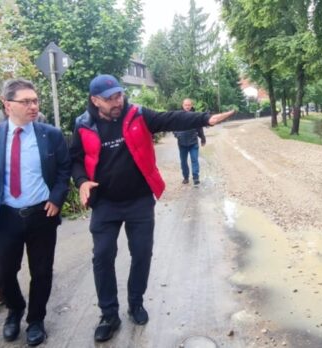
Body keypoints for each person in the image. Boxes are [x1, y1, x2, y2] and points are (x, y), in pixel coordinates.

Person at [70, 74, 235, 342]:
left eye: (119, 95)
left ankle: (135, 303)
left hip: (139, 201)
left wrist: (205, 118)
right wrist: (81, 181)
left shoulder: (137, 114)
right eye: (110, 98)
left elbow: (171, 118)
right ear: (95, 100)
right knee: (102, 257)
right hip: (105, 204)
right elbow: (75, 158)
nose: (117, 101)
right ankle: (109, 314)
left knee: (142, 253)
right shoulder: (83, 124)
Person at [0, 78, 71, 346]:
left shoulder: (50, 135)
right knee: (2, 273)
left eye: (35, 101)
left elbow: (64, 170)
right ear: (7, 105)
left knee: (41, 272)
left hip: (42, 215)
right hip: (6, 215)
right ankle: (15, 308)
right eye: (26, 101)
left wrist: (57, 197)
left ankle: (36, 320)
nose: (33, 106)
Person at [172, 98, 206, 185]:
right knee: (183, 162)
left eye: (189, 105)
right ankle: (186, 177)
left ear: (191, 106)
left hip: (193, 143)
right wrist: (177, 135)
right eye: (185, 105)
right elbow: (173, 127)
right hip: (182, 143)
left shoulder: (195, 116)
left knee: (194, 160)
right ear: (182, 105)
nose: (187, 107)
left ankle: (195, 177)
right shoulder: (178, 116)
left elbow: (199, 128)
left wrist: (202, 138)